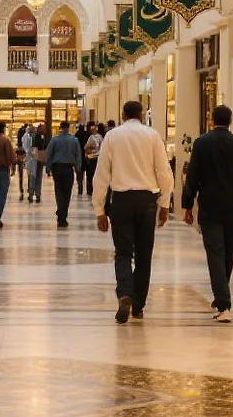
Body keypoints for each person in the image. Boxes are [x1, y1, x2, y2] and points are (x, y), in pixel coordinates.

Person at [94, 100, 173, 324]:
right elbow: (164, 172)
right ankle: (138, 305)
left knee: (122, 252)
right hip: (147, 201)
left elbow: (101, 175)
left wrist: (100, 209)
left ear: (122, 114)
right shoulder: (152, 135)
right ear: (141, 114)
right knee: (144, 254)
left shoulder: (112, 136)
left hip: (121, 200)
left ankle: (125, 293)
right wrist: (165, 204)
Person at [182, 104, 233, 322]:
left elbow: (193, 177)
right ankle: (222, 298)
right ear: (230, 121)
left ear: (211, 119)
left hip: (210, 207)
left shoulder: (202, 143)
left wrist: (187, 205)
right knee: (228, 252)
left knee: (215, 253)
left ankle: (223, 302)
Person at [45, 119, 82, 228]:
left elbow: (49, 154)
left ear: (60, 128)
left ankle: (61, 212)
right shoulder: (74, 140)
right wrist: (77, 168)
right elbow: (78, 154)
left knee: (59, 191)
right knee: (67, 192)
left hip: (57, 168)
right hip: (68, 168)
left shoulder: (54, 140)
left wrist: (48, 167)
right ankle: (63, 215)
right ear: (69, 127)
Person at [24, 124, 45, 203]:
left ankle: (34, 194)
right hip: (35, 159)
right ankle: (34, 194)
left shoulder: (39, 136)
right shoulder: (36, 136)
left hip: (36, 159)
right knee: (35, 177)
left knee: (34, 177)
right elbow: (34, 148)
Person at [82, 123, 103, 199]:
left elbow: (86, 148)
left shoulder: (91, 137)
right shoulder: (100, 137)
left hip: (92, 158)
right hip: (97, 158)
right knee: (95, 175)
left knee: (90, 176)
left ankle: (90, 190)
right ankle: (94, 190)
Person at [74, 122, 91, 196]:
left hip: (79, 157)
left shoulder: (76, 135)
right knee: (88, 175)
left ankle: (80, 189)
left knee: (79, 175)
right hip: (87, 157)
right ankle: (89, 190)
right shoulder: (87, 135)